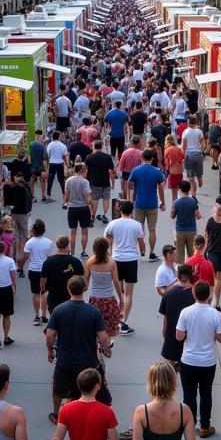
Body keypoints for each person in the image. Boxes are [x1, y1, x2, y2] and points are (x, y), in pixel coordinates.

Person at [45, 275, 111, 424]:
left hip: (65, 361)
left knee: (58, 389)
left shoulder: (59, 310)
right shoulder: (94, 312)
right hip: (87, 362)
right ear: (84, 289)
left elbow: (50, 335)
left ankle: (56, 415)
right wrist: (107, 350)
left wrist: (50, 351)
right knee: (90, 388)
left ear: (68, 289)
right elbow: (103, 338)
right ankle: (90, 414)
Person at [175, 280, 221, 439]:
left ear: (193, 293)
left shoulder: (185, 312)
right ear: (209, 295)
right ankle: (205, 426)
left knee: (189, 393)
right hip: (208, 361)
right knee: (206, 393)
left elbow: (179, 336)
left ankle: (189, 424)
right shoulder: (215, 314)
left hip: (189, 360)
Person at [104, 201, 146, 334]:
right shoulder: (137, 225)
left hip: (116, 259)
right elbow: (141, 242)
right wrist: (143, 252)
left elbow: (107, 239)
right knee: (128, 293)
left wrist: (109, 251)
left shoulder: (113, 224)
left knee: (118, 290)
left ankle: (115, 319)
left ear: (120, 210)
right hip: (131, 259)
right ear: (132, 211)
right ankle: (123, 322)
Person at [84, 236, 124, 347]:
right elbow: (116, 282)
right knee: (108, 322)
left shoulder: (89, 262)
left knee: (95, 323)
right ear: (106, 248)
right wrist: (121, 298)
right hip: (108, 298)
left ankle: (97, 341)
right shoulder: (112, 263)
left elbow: (85, 283)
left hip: (94, 298)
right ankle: (106, 341)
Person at [128, 148, 167, 261]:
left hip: (139, 203)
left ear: (142, 158)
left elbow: (130, 185)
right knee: (152, 229)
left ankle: (136, 251)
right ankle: (151, 253)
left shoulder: (136, 170)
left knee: (137, 229)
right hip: (152, 203)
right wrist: (162, 201)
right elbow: (161, 187)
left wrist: (130, 198)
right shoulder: (156, 171)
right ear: (152, 159)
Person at [159, 265, 196, 365]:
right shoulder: (195, 295)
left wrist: (164, 330)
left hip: (172, 333)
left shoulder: (168, 294)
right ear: (191, 276)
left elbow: (165, 316)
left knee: (169, 365)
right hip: (190, 336)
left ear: (177, 276)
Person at [40, 236, 83, 317]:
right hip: (71, 298)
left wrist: (42, 289)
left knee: (56, 323)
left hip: (54, 299)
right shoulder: (75, 262)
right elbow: (81, 281)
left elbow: (43, 280)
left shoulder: (48, 261)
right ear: (68, 245)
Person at [23, 220, 54, 327]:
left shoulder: (29, 243)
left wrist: (21, 267)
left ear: (34, 231)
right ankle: (44, 315)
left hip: (34, 270)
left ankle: (37, 316)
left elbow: (26, 256)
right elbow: (49, 257)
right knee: (44, 292)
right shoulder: (49, 242)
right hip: (45, 270)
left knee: (36, 293)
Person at [2, 172, 33, 276]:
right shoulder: (25, 188)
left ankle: (15, 256)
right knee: (25, 238)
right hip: (23, 215)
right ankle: (22, 260)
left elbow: (6, 192)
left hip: (14, 214)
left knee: (15, 238)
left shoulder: (12, 188)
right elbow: (29, 200)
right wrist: (29, 210)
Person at [64, 161, 93, 258]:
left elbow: (66, 194)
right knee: (84, 231)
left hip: (72, 208)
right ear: (83, 170)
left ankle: (72, 253)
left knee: (73, 232)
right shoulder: (85, 182)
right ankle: (83, 251)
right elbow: (87, 197)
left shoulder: (68, 180)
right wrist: (90, 203)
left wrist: (66, 202)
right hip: (83, 208)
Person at [85, 138, 116, 224]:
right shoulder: (107, 157)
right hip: (105, 182)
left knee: (94, 200)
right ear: (102, 146)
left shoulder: (89, 157)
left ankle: (93, 216)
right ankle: (104, 215)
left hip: (94, 182)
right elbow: (112, 170)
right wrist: (113, 181)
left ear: (94, 146)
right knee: (106, 199)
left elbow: (86, 169)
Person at [171, 180, 201, 264]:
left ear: (180, 190)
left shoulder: (176, 202)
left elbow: (172, 215)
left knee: (179, 253)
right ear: (189, 189)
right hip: (191, 230)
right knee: (191, 253)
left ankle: (180, 271)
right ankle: (191, 271)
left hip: (179, 230)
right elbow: (198, 216)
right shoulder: (193, 201)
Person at [180, 115, 206, 196]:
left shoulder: (185, 132)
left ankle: (193, 195)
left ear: (188, 123)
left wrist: (183, 157)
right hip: (198, 154)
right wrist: (201, 149)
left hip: (189, 155)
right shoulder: (199, 131)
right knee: (199, 175)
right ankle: (200, 180)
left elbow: (183, 146)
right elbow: (203, 144)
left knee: (191, 178)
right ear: (195, 123)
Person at [44, 131, 68, 203]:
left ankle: (48, 195)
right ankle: (64, 194)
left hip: (52, 163)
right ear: (59, 137)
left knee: (50, 179)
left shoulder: (49, 145)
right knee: (61, 179)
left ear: (52, 137)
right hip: (60, 163)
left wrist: (47, 165)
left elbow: (47, 155)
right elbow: (64, 156)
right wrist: (66, 164)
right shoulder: (63, 146)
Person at [118, 135, 144, 200]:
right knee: (133, 191)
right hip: (137, 174)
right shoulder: (141, 153)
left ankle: (128, 203)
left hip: (126, 174)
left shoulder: (125, 152)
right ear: (139, 143)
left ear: (131, 142)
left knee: (127, 191)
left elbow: (121, 167)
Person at [163, 135, 185, 208]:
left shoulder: (167, 150)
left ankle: (174, 208)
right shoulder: (178, 149)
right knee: (179, 192)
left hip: (172, 173)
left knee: (174, 194)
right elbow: (182, 159)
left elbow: (166, 164)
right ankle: (178, 206)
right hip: (179, 173)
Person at [29, 129, 47, 201]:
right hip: (41, 168)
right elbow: (44, 159)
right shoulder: (42, 146)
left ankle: (32, 196)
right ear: (41, 135)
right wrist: (46, 169)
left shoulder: (30, 145)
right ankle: (43, 195)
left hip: (32, 167)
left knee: (32, 181)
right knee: (43, 180)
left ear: (35, 135)